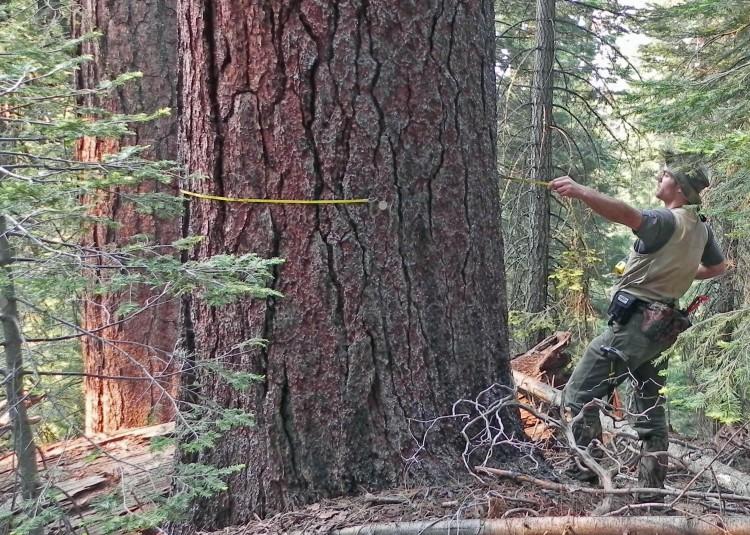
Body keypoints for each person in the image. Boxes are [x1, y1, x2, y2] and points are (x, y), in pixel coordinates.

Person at [548, 155, 726, 503]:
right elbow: (718, 268)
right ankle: (651, 493)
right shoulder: (700, 228)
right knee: (650, 411)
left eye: (665, 175)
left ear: (677, 187)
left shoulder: (663, 220)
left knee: (579, 394)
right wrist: (677, 273)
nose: (659, 178)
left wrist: (581, 190)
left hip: (633, 328)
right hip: (662, 333)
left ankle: (588, 476)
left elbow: (626, 213)